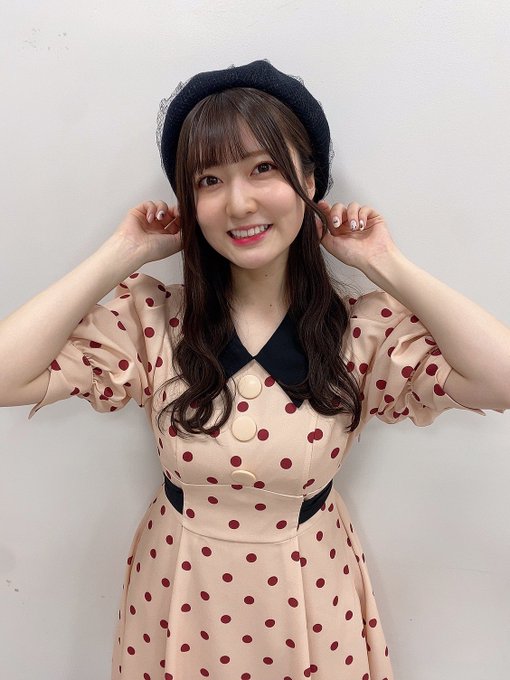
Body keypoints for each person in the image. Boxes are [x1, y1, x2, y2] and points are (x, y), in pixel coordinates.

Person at [1, 58, 509, 680]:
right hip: (177, 596)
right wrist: (122, 253)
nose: (239, 203)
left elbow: (501, 379)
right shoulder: (153, 319)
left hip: (312, 599)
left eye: (263, 168)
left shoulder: (361, 332)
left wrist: (386, 263)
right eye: (209, 180)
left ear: (309, 178)